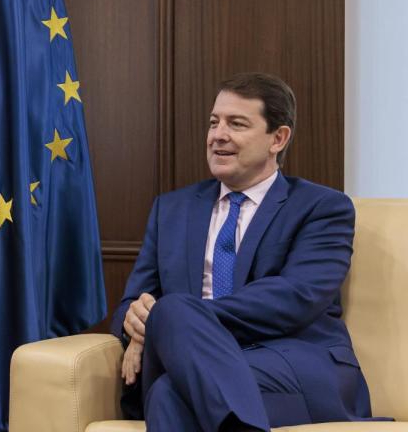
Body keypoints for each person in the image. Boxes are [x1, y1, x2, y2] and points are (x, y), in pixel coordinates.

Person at [112, 72, 373, 431]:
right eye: (214, 122)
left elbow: (296, 297)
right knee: (171, 350)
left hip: (290, 362)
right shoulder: (171, 210)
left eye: (236, 124)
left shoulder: (322, 207)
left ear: (277, 139)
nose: (218, 135)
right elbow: (132, 303)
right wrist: (136, 324)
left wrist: (172, 318)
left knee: (168, 392)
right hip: (190, 359)